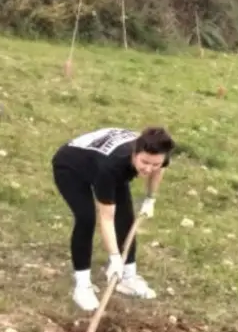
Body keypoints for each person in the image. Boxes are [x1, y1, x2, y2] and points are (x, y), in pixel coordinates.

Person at [51, 126, 175, 311]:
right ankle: (82, 285)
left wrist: (150, 198)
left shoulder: (158, 154)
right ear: (134, 153)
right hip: (71, 167)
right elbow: (107, 218)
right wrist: (115, 257)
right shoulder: (112, 166)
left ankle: (128, 279)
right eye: (144, 162)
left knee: (126, 217)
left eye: (155, 164)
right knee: (86, 218)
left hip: (104, 163)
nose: (149, 169)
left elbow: (160, 170)